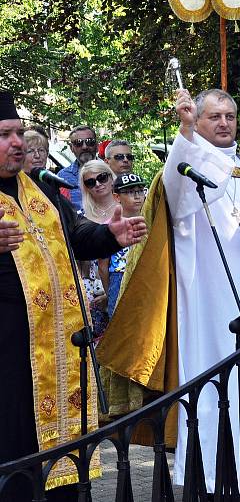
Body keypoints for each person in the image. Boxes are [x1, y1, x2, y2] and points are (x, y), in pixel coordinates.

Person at [97, 88, 240, 493]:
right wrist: (185, 130)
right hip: (201, 299)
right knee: (208, 389)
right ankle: (207, 477)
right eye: (214, 117)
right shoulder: (186, 166)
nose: (223, 123)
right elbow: (175, 184)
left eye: (229, 117)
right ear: (199, 121)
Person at [0, 92, 147, 501]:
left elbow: (76, 236)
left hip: (58, 350)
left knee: (63, 464)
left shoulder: (41, 191)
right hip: (9, 356)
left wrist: (108, 236)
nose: (17, 143)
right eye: (5, 135)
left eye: (17, 133)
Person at [78, 160, 118, 339]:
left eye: (102, 177)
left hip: (127, 281)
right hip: (95, 290)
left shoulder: (130, 206)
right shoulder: (81, 217)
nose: (98, 184)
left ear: (111, 177)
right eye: (90, 182)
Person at [106, 172, 147, 316]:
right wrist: (108, 291)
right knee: (119, 320)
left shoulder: (150, 221)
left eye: (140, 190)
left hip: (144, 274)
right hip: (119, 276)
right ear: (117, 196)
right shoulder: (110, 225)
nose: (137, 196)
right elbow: (102, 265)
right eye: (130, 192)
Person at [57, 125, 97, 208]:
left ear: (96, 145)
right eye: (78, 143)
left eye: (89, 141)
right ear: (71, 148)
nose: (85, 147)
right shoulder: (63, 177)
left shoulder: (109, 171)